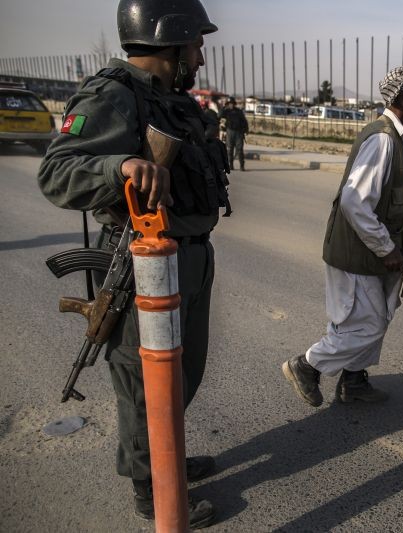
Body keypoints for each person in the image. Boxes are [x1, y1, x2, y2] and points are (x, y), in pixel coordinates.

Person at [37, 0, 231, 528]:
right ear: (170, 39)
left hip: (191, 257)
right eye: (196, 44)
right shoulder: (114, 96)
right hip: (141, 260)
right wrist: (118, 164)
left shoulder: (170, 100)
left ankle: (165, 456)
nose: (201, 56)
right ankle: (152, 488)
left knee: (182, 375)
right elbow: (57, 172)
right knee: (144, 383)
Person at [282, 65, 403, 407]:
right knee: (367, 324)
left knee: (375, 314)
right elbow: (354, 201)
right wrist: (385, 249)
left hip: (372, 252)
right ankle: (307, 366)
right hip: (358, 253)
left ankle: (353, 382)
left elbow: (388, 199)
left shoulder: (396, 138)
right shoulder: (382, 140)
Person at [220, 97, 248, 170]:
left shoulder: (239, 111)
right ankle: (231, 165)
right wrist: (224, 107)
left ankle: (242, 166)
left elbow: (244, 121)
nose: (231, 105)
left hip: (239, 133)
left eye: (232, 103)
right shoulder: (226, 111)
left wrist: (246, 130)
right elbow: (219, 115)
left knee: (240, 150)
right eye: (229, 104)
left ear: (234, 104)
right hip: (230, 132)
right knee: (230, 150)